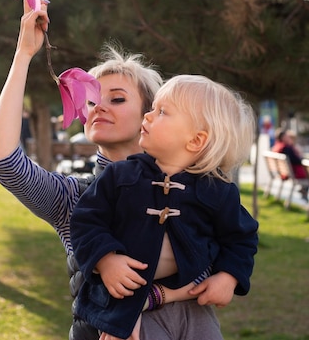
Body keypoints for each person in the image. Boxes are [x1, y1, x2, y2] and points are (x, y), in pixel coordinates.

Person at [0, 0, 240, 340]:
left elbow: (229, 248)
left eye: (117, 99)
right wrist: (23, 56)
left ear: (149, 114)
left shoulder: (195, 185)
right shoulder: (77, 197)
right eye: (91, 101)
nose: (98, 108)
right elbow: (6, 163)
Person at [70, 75, 259, 340]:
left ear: (195, 140)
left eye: (161, 112)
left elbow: (242, 238)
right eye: (151, 108)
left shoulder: (216, 190)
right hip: (129, 306)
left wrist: (228, 277)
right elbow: (85, 221)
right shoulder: (120, 177)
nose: (147, 116)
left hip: (193, 306)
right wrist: (105, 259)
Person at [275, 129, 309, 200]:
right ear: (283, 138)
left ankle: (303, 192)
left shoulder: (277, 147)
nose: (288, 138)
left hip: (285, 172)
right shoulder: (286, 148)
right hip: (294, 173)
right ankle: (304, 193)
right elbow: (296, 160)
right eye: (287, 136)